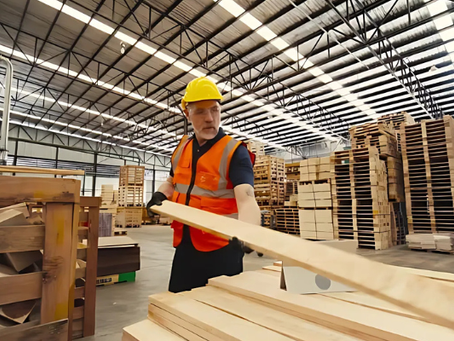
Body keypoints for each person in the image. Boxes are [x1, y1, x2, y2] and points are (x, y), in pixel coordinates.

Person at [147, 77, 261, 293]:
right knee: (178, 307)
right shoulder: (182, 148)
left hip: (222, 250)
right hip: (185, 247)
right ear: (187, 113)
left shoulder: (235, 152)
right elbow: (173, 181)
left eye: (215, 110)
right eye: (200, 111)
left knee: (220, 314)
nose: (210, 118)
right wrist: (160, 195)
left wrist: (249, 232)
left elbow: (246, 198)